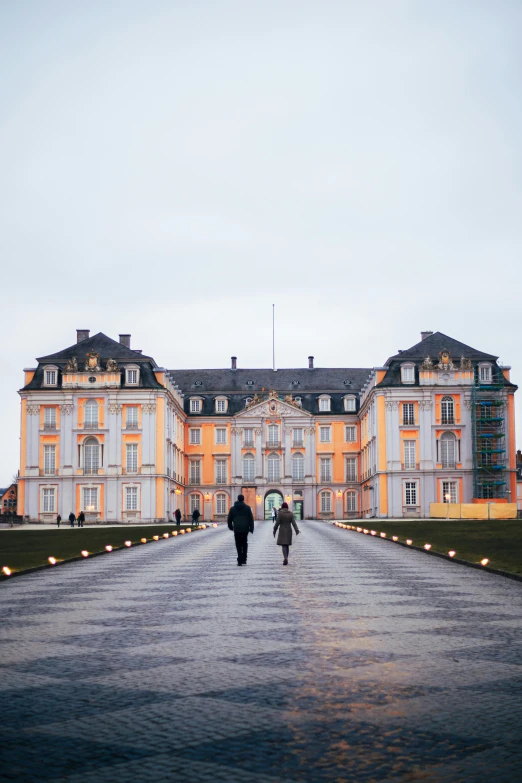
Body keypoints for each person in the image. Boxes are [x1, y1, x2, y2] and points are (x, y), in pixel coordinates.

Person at [228, 493, 254, 566]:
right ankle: (244, 559)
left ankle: (239, 559)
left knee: (238, 544)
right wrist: (251, 528)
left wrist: (230, 527)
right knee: (244, 543)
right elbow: (250, 519)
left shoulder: (233, 509)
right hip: (245, 529)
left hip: (237, 528)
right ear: (243, 499)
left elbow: (229, 519)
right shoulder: (247, 508)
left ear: (237, 499)